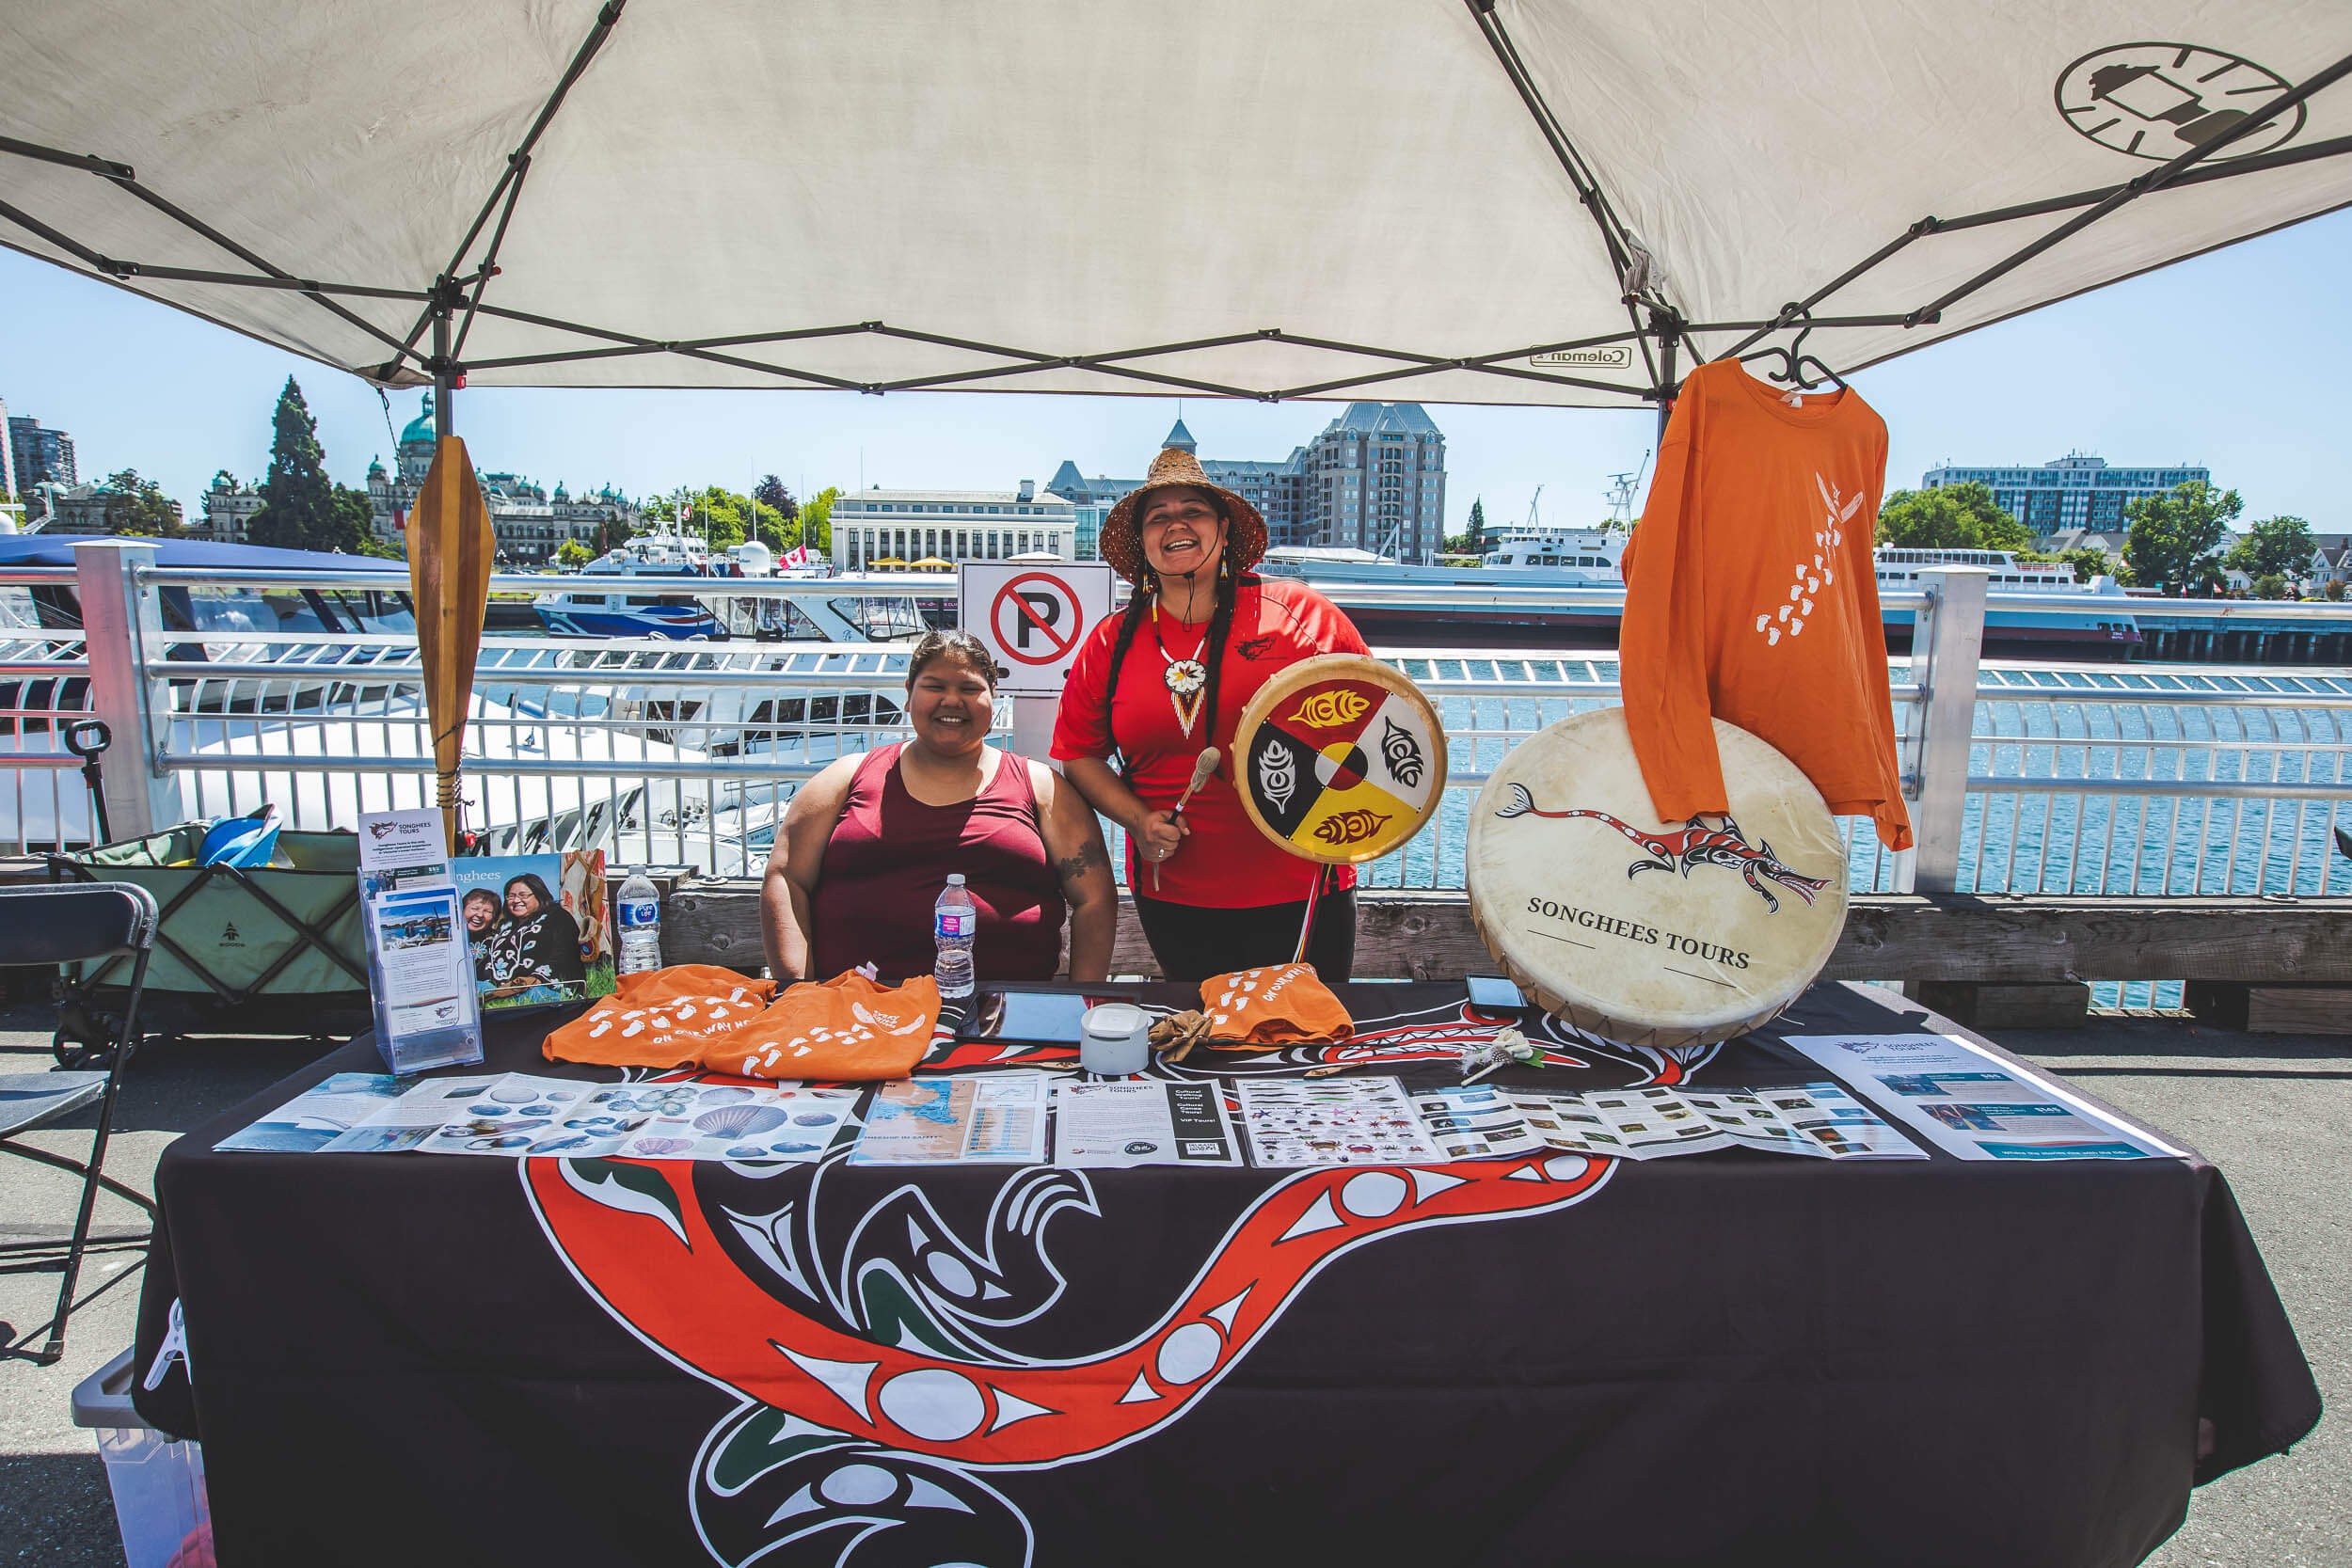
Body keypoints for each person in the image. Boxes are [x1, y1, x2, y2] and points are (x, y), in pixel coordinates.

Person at [1054, 445, 1370, 980]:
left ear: (1223, 530)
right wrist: (1139, 821)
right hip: (1172, 891)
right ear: (1143, 543)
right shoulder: (1112, 640)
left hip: (1301, 885)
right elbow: (1078, 755)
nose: (1175, 525)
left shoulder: (1301, 614)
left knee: (1303, 1046)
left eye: (1192, 511)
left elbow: (1375, 724)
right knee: (1201, 1040)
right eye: (1158, 518)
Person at [763, 629, 1118, 985]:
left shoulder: (1042, 789)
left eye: (969, 689)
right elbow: (787, 877)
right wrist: (796, 990)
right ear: (908, 694)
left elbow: (1095, 899)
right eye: (935, 687)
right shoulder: (844, 778)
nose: (952, 701)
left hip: (1006, 1015)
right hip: (854, 1013)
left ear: (994, 698)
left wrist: (1081, 1002)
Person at [485, 873, 587, 993]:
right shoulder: (505, 925)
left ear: (539, 895)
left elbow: (565, 953)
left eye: (523, 895)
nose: (516, 900)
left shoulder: (557, 916)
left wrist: (535, 979)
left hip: (544, 986)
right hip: (503, 987)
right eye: (511, 896)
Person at [460, 888, 504, 988]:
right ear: (462, 909)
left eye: (487, 911)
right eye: (475, 909)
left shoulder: (498, 941)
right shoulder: (448, 938)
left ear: (494, 917)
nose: (480, 915)